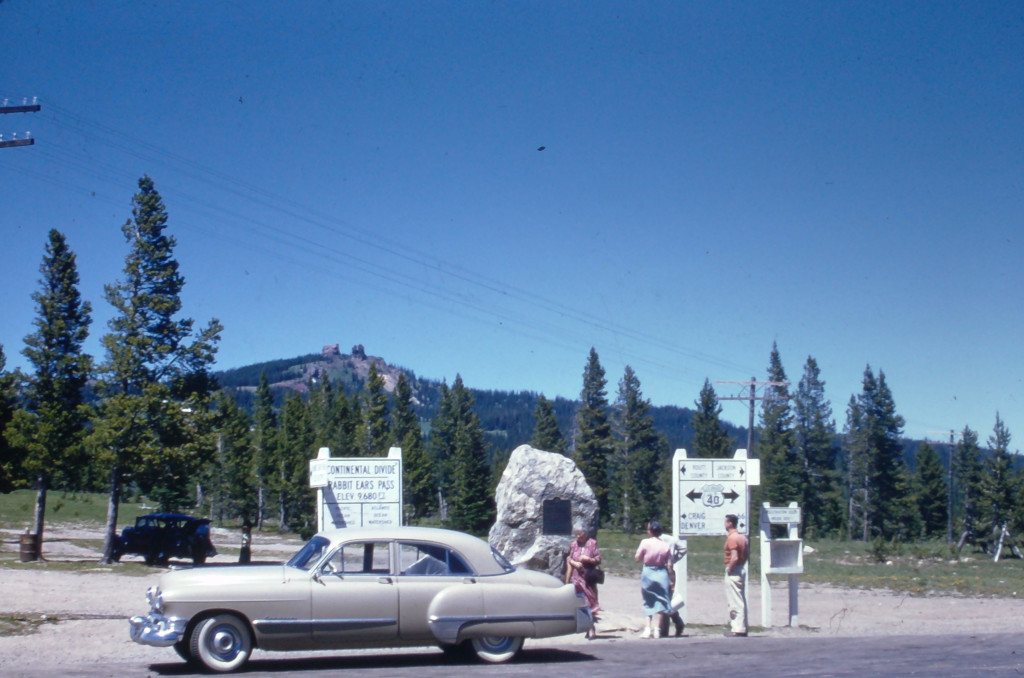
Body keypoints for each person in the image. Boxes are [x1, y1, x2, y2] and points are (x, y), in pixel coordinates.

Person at [634, 520, 671, 638]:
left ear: (651, 531)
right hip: (661, 572)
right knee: (661, 600)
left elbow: (637, 558)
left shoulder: (645, 542)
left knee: (648, 599)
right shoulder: (666, 545)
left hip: (648, 571)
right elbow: (669, 564)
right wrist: (672, 578)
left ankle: (647, 628)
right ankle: (657, 629)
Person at [566, 523, 601, 639]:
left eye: (579, 534)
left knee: (590, 603)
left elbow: (598, 559)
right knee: (582, 603)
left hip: (588, 578)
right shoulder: (574, 545)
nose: (577, 536)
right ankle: (589, 628)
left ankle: (591, 628)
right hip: (577, 578)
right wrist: (574, 563)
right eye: (575, 534)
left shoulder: (592, 543)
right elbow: (569, 558)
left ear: (585, 533)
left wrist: (589, 559)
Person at [723, 513, 749, 637]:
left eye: (726, 522)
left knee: (735, 600)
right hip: (741, 567)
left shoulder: (732, 538)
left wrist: (729, 568)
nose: (725, 524)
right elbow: (746, 555)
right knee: (740, 598)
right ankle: (741, 626)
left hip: (734, 569)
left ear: (730, 523)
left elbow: (734, 557)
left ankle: (738, 628)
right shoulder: (743, 537)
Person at [658, 529, 686, 637]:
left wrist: (673, 560)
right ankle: (678, 621)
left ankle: (664, 631)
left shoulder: (661, 540)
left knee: (664, 601)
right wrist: (675, 558)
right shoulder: (671, 539)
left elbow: (683, 548)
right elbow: (683, 548)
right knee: (666, 601)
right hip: (667, 569)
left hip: (665, 570)